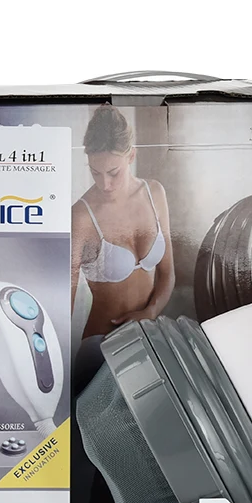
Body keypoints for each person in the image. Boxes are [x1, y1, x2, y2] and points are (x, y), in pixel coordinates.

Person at [71, 106, 174, 388]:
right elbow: (63, 307)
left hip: (149, 340)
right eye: (95, 172)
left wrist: (150, 312)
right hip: (101, 347)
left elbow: (167, 274)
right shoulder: (81, 217)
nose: (104, 184)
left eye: (113, 172)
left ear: (131, 156)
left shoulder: (154, 193)